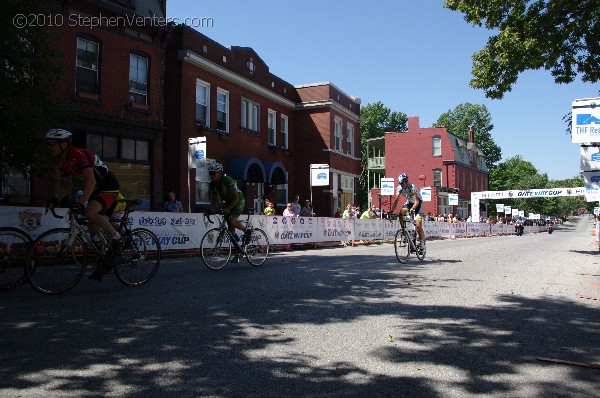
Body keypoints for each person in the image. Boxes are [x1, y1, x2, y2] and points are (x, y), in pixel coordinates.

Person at [45, 128, 121, 281]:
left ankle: (117, 238)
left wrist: (80, 203)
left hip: (108, 185)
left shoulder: (78, 154)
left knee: (91, 213)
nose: (50, 148)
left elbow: (91, 180)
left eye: (52, 144)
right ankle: (103, 254)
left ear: (64, 144)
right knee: (91, 224)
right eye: (48, 144)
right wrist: (56, 198)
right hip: (94, 189)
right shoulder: (62, 162)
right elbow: (67, 185)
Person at [207, 162, 251, 262]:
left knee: (231, 220)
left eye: (213, 173)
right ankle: (239, 251)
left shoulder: (228, 180)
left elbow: (236, 197)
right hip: (228, 202)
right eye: (210, 174)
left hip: (238, 200)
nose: (211, 176)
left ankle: (247, 231)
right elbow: (214, 199)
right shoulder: (213, 184)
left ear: (219, 173)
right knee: (231, 232)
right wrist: (211, 209)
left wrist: (228, 209)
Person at [390, 173, 426, 251]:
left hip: (418, 204)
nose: (401, 185)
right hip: (409, 203)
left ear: (406, 181)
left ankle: (422, 243)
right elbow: (396, 201)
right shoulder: (399, 188)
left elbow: (416, 201)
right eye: (400, 183)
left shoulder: (412, 187)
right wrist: (391, 211)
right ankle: (404, 232)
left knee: (418, 226)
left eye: (403, 183)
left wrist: (412, 210)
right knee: (401, 214)